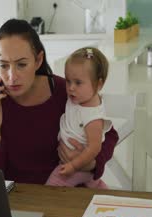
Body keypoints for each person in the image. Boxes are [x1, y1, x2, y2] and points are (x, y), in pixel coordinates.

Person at [0, 19, 118, 184]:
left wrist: (92, 163)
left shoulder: (65, 91)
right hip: (11, 202)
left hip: (66, 194)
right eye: (3, 65)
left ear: (38, 60)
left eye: (22, 64)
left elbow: (109, 135)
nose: (12, 77)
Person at [45, 47, 112, 188]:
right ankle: (97, 185)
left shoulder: (92, 116)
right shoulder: (79, 98)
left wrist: (73, 166)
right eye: (68, 81)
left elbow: (94, 148)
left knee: (53, 186)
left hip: (78, 166)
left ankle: (95, 183)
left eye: (78, 82)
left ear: (99, 84)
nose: (71, 88)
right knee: (92, 184)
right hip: (74, 163)